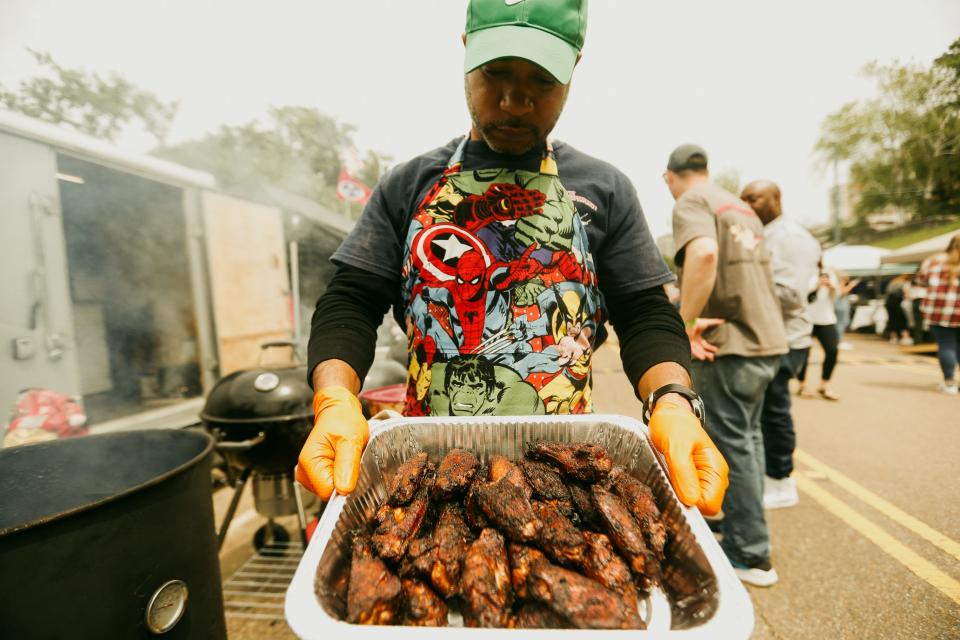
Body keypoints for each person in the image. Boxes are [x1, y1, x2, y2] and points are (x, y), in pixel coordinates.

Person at [296, 0, 729, 524]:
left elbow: (645, 314)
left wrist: (674, 403)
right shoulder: (410, 184)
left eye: (541, 82)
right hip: (428, 475)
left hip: (560, 473)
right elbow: (351, 302)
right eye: (495, 73)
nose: (514, 101)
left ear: (573, 70)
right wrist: (335, 401)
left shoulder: (603, 188)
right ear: (465, 55)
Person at [666, 146, 787, 587]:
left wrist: (687, 323)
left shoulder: (691, 201)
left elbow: (703, 255)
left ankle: (750, 553)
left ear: (670, 177)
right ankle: (738, 530)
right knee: (748, 441)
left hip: (731, 343)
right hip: (766, 339)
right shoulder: (739, 205)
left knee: (732, 445)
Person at [741, 180, 821, 511]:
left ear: (776, 198)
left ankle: (781, 480)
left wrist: (743, 284)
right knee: (761, 411)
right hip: (768, 337)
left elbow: (792, 295)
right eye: (743, 198)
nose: (747, 204)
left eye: (754, 197)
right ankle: (769, 475)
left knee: (774, 411)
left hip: (787, 339)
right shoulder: (765, 233)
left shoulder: (792, 239)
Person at [914, 233, 960, 394]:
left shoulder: (933, 260)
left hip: (939, 311)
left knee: (947, 345)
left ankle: (949, 382)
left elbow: (920, 281)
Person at [796, 264, 842, 400]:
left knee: (832, 350)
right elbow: (798, 293)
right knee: (804, 353)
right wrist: (816, 286)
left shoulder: (829, 272)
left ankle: (824, 384)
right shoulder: (804, 271)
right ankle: (802, 385)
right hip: (806, 318)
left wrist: (832, 287)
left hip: (826, 318)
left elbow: (837, 294)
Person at [884, 274, 913, 345]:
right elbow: (906, 293)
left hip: (888, 303)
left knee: (892, 320)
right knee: (901, 319)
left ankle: (894, 338)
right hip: (897, 302)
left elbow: (887, 292)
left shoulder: (893, 282)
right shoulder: (904, 283)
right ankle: (906, 337)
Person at [834, 272, 860, 350]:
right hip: (840, 306)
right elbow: (842, 293)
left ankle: (838, 341)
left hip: (840, 306)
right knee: (841, 324)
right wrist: (851, 285)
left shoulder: (838, 283)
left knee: (841, 323)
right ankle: (838, 341)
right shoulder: (841, 283)